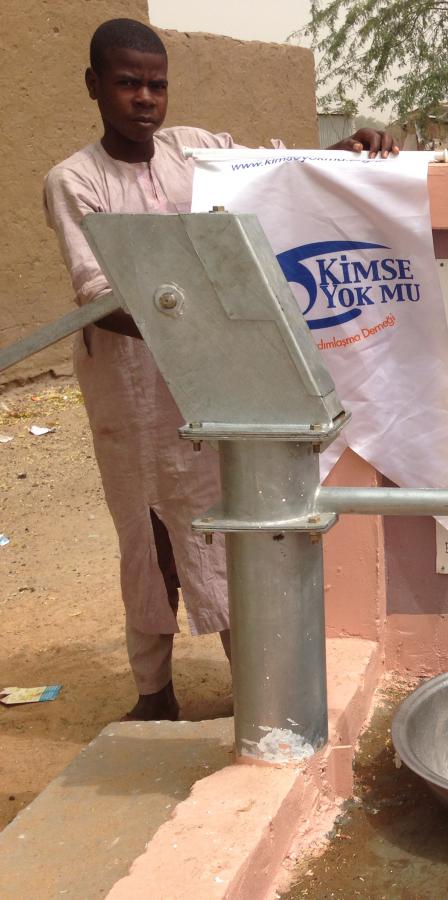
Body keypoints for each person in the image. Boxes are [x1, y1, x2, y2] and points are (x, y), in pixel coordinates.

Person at [43, 18, 398, 722]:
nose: (145, 99)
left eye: (156, 84)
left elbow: (270, 180)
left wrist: (340, 154)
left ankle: (256, 687)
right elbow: (101, 297)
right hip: (132, 395)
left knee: (228, 526)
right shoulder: (74, 180)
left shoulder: (195, 151)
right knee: (147, 542)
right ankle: (154, 695)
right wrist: (199, 312)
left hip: (211, 386)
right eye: (128, 83)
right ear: (94, 86)